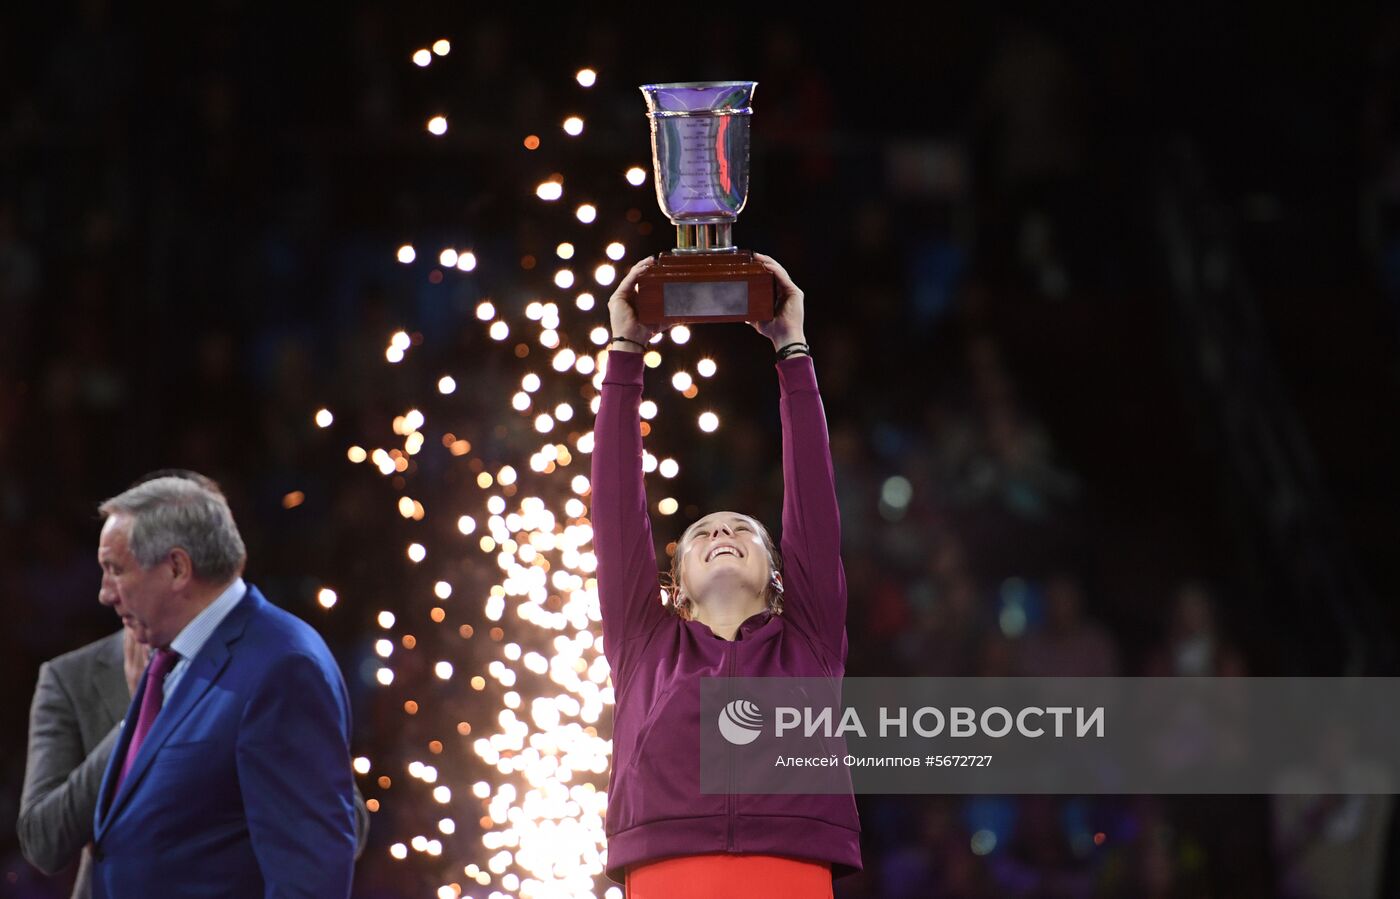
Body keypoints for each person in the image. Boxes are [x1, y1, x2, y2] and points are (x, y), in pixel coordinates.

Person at [593, 255, 862, 897]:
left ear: (776, 573)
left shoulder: (810, 641)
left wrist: (793, 351)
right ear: (677, 584)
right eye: (702, 534)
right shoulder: (645, 645)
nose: (721, 534)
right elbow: (615, 511)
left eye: (742, 529)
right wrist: (625, 353)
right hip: (668, 871)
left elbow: (814, 503)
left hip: (790, 869)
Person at [18, 470, 369, 899]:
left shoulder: (283, 667)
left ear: (177, 568)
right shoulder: (169, 656)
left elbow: (310, 875)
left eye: (116, 570)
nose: (105, 594)